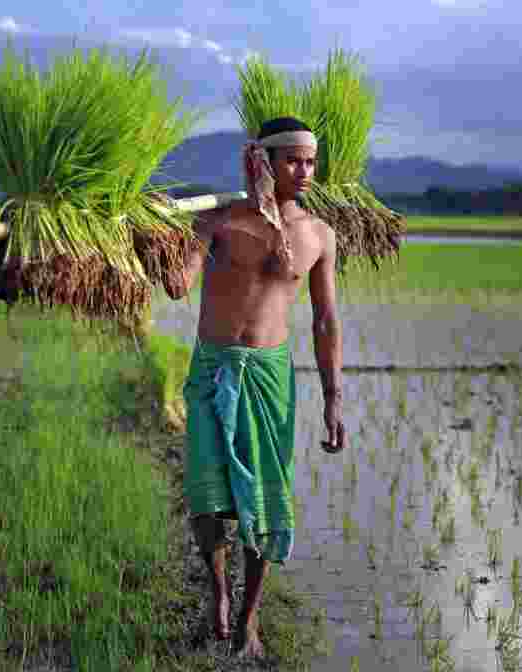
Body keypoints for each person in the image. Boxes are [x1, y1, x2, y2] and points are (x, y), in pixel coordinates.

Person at [165, 116, 346, 658]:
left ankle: (249, 619)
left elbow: (325, 321)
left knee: (265, 500)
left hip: (268, 377)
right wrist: (154, 241)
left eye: (311, 161)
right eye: (292, 159)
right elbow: (177, 285)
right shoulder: (219, 222)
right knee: (206, 494)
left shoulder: (317, 234)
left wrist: (334, 398)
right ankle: (218, 594)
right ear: (261, 161)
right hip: (213, 366)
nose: (305, 170)